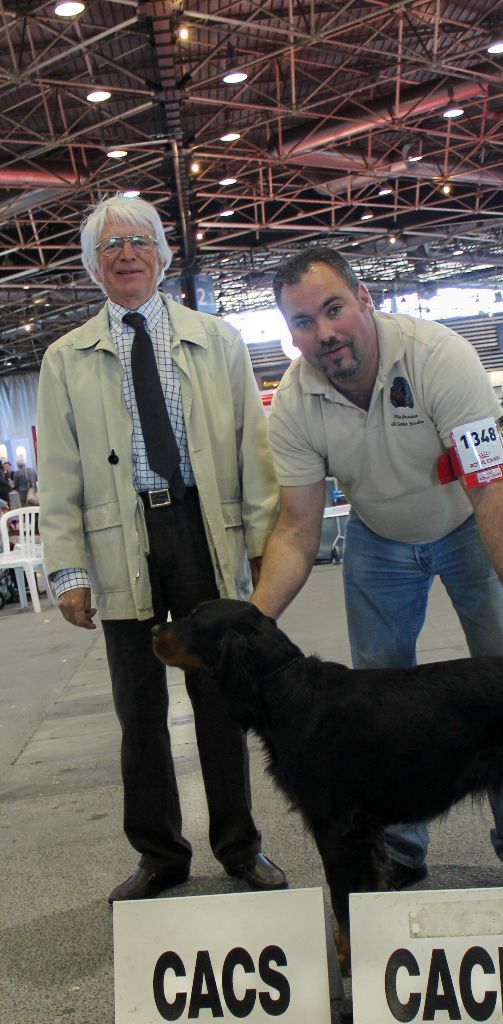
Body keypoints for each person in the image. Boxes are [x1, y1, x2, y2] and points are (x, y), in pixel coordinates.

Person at [251, 246, 503, 889]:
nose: (324, 333)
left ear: (365, 300)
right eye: (304, 322)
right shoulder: (296, 405)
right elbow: (299, 531)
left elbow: (488, 487)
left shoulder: (440, 358)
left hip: (465, 524)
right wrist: (253, 621)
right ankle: (399, 849)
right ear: (292, 333)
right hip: (378, 538)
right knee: (377, 697)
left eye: (333, 309)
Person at [37, 194, 286, 904]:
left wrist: (264, 539)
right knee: (137, 712)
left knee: (222, 699)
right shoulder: (65, 360)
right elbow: (59, 472)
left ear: (163, 254)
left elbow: (252, 446)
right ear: (93, 265)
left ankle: (240, 847)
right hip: (122, 541)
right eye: (110, 246)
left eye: (140, 241)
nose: (127, 255)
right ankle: (159, 856)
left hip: (204, 535)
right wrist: (68, 569)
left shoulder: (218, 340)